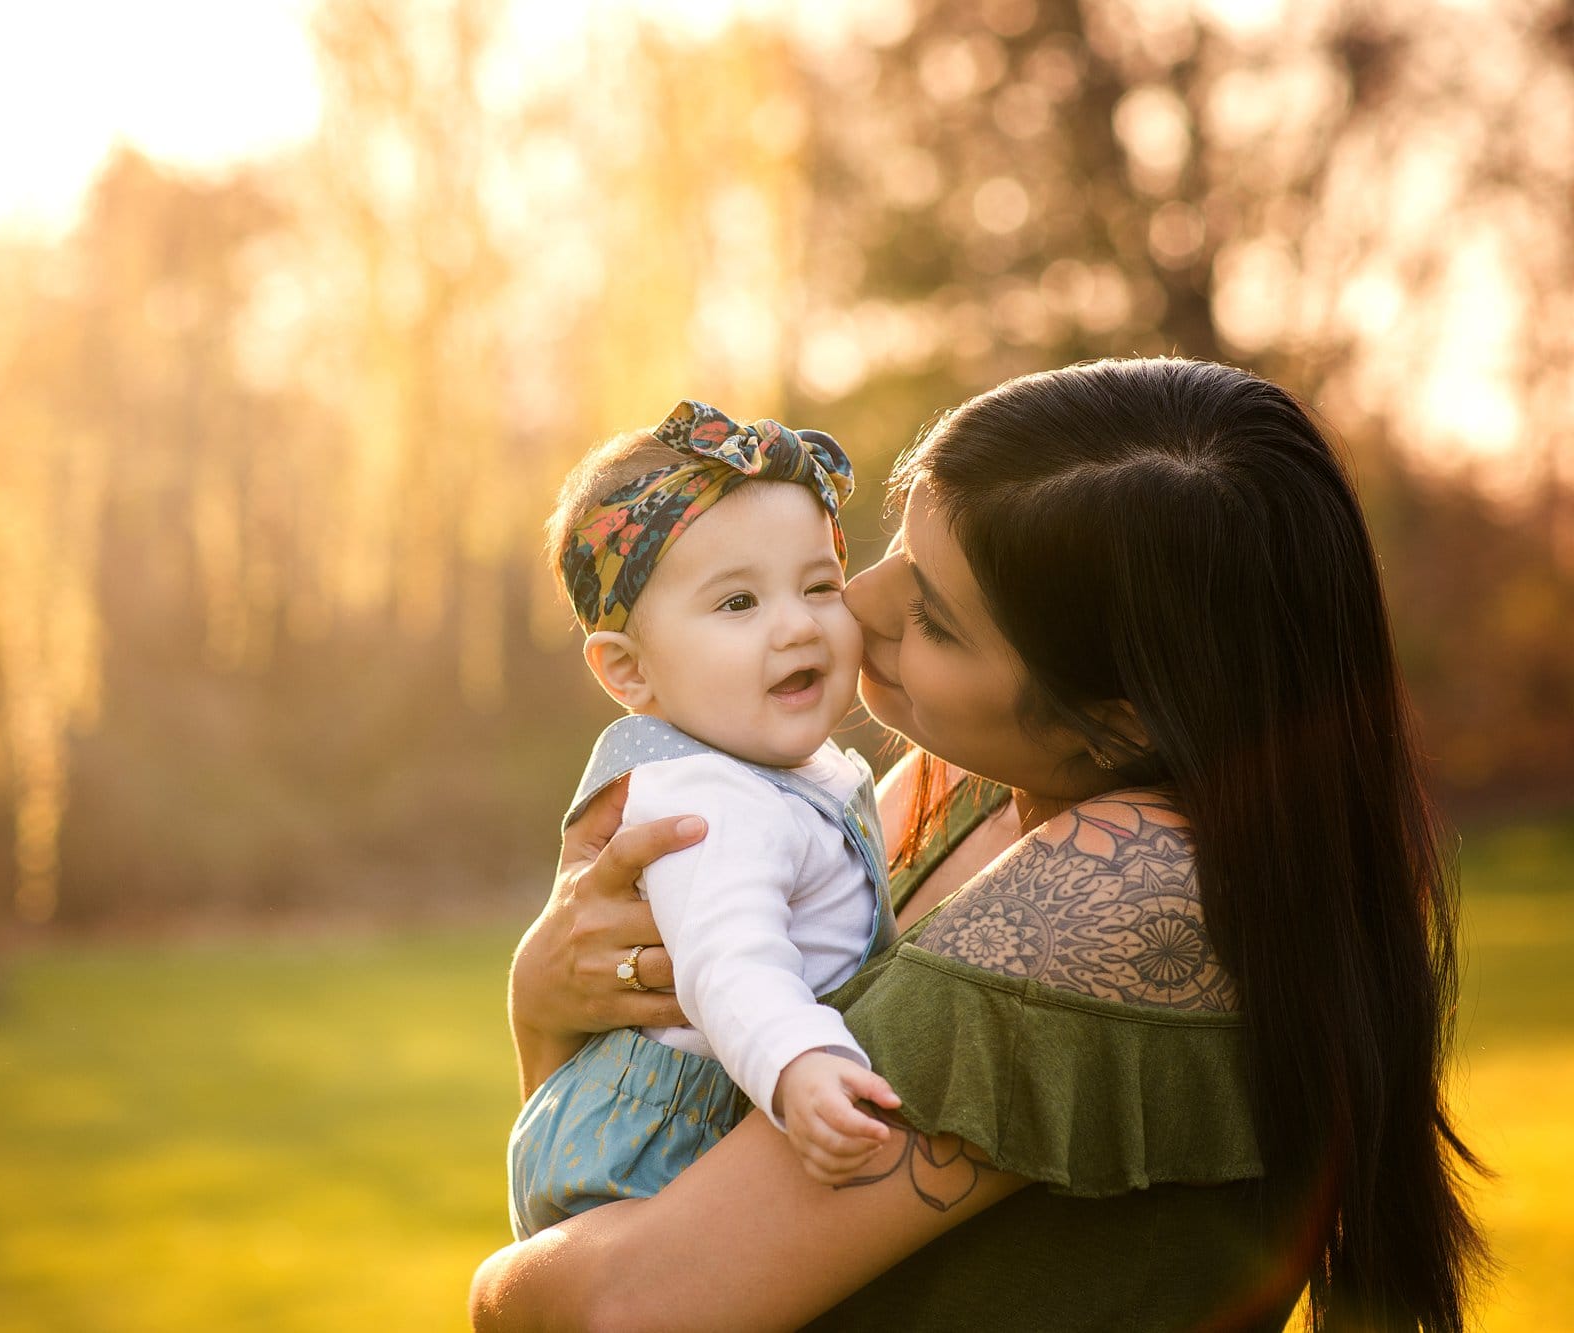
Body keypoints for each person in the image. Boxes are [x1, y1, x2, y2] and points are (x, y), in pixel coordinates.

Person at [472, 359, 1487, 1331]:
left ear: (1121, 720)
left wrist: (497, 1289)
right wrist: (543, 1006)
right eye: (896, 550)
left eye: (936, 620)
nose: (854, 602)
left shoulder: (1120, 882)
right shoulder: (965, 790)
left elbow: (620, 1306)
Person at [509, 400, 902, 1240]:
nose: (797, 623)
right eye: (737, 604)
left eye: (820, 586)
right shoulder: (707, 801)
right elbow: (731, 960)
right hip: (652, 1152)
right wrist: (804, 1065)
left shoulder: (807, 770)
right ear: (628, 671)